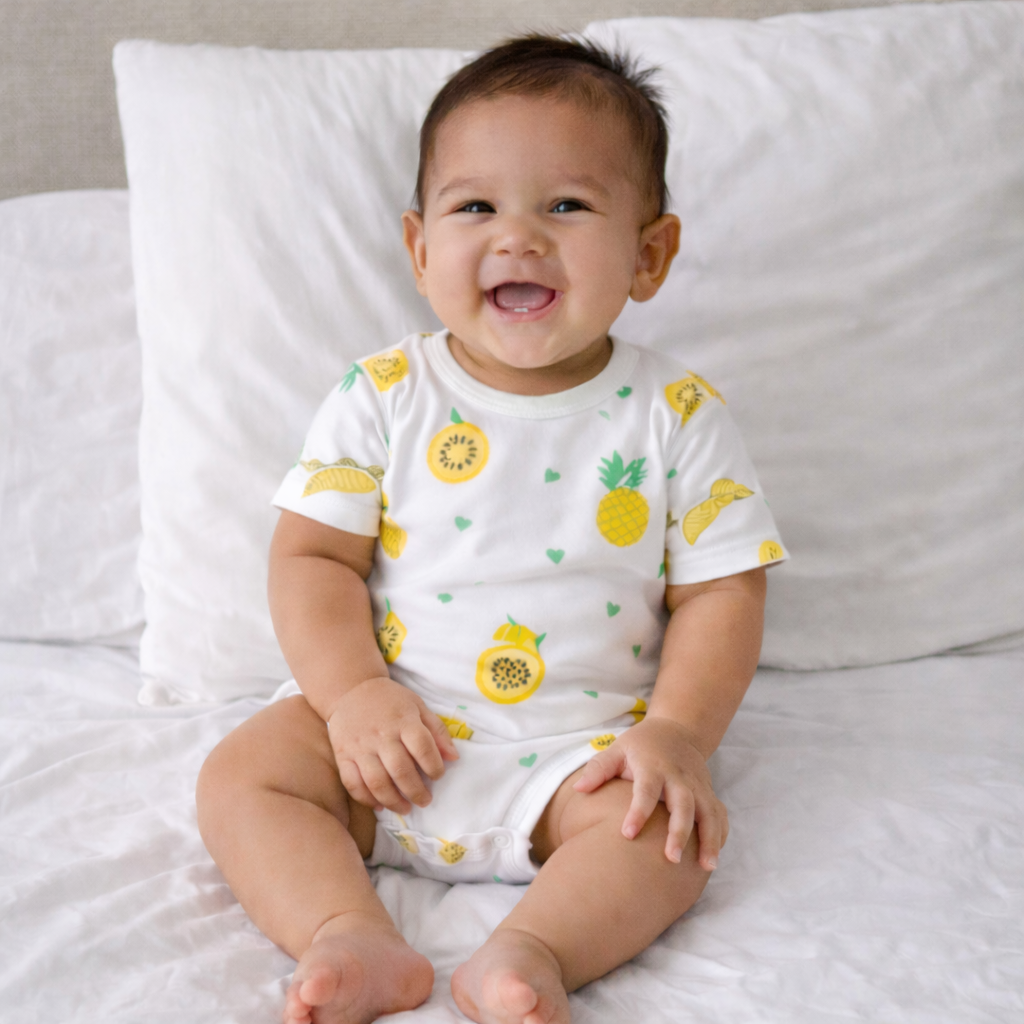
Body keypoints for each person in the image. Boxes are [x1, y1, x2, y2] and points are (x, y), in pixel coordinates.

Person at [196, 34, 786, 1024]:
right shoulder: (383, 393)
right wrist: (349, 700)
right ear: (421, 248)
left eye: (565, 205)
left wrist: (677, 735)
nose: (517, 237)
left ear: (649, 253)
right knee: (240, 777)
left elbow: (722, 591)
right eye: (475, 207)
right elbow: (311, 557)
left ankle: (531, 951)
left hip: (575, 756)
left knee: (673, 836)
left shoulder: (676, 414)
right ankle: (348, 930)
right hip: (385, 737)